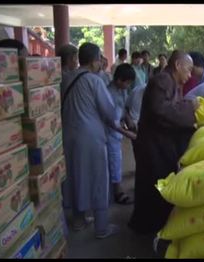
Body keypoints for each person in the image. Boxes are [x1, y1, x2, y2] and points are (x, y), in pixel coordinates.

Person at [61, 42, 135, 239]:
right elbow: (110, 113)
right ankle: (101, 228)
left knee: (75, 175)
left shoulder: (66, 77)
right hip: (91, 138)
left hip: (68, 135)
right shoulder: (95, 81)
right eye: (99, 59)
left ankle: (78, 220)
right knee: (98, 179)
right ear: (94, 61)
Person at [128, 50, 197, 238]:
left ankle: (153, 224)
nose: (189, 75)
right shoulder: (162, 81)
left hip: (160, 143)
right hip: (153, 145)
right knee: (154, 185)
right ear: (178, 66)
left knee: (155, 184)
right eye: (188, 70)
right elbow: (161, 110)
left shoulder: (170, 81)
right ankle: (150, 227)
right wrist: (190, 109)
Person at [106, 63, 135, 205]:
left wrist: (129, 119)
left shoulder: (122, 91)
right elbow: (112, 123)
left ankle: (115, 190)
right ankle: (117, 192)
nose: (129, 86)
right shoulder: (108, 93)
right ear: (119, 80)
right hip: (109, 134)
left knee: (117, 162)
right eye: (128, 82)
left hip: (117, 133)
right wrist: (130, 135)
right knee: (114, 163)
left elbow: (123, 109)